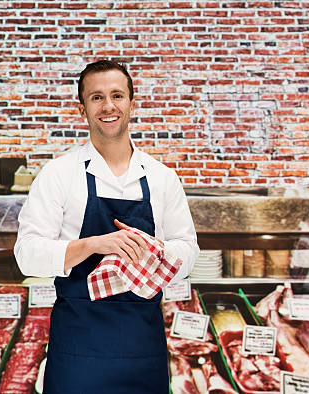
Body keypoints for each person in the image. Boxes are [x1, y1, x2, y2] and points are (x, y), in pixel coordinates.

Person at [14, 60, 199, 394]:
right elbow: (27, 255)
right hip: (78, 346)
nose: (108, 106)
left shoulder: (162, 178)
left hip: (142, 345)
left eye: (117, 95)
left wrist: (154, 251)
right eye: (96, 97)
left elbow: (187, 253)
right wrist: (95, 244)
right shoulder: (59, 174)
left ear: (131, 101)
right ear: (82, 107)